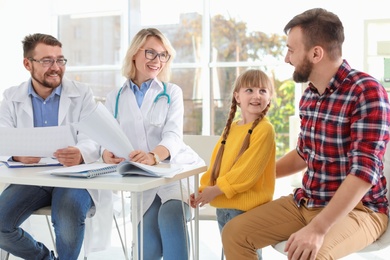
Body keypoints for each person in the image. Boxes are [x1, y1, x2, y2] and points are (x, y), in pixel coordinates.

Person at [221, 8, 390, 260]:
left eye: (291, 50)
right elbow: (303, 154)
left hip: (360, 210)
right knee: (234, 232)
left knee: (311, 255)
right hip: (307, 202)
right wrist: (254, 175)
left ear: (316, 53)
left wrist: (318, 228)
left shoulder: (366, 91)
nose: (287, 58)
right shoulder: (310, 94)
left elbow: (364, 173)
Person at [0, 33, 113, 259]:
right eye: (47, 61)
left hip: (73, 176)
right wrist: (17, 155)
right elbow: (3, 138)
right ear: (27, 64)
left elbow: (95, 136)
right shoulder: (12, 97)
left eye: (60, 60)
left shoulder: (81, 94)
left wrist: (81, 153)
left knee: (67, 214)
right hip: (33, 178)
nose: (56, 67)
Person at [102, 28, 204, 260]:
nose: (157, 60)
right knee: (148, 249)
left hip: (176, 173)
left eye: (163, 55)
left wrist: (154, 156)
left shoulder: (171, 92)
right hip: (144, 181)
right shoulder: (115, 97)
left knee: (169, 217)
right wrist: (107, 152)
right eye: (151, 53)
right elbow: (105, 138)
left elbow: (173, 136)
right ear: (134, 54)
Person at [189, 69, 276, 259]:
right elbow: (216, 165)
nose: (256, 95)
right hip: (224, 209)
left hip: (247, 212)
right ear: (237, 96)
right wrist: (204, 189)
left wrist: (214, 191)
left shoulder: (265, 130)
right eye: (250, 90)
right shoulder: (232, 128)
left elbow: (247, 173)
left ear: (269, 98)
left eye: (263, 91)